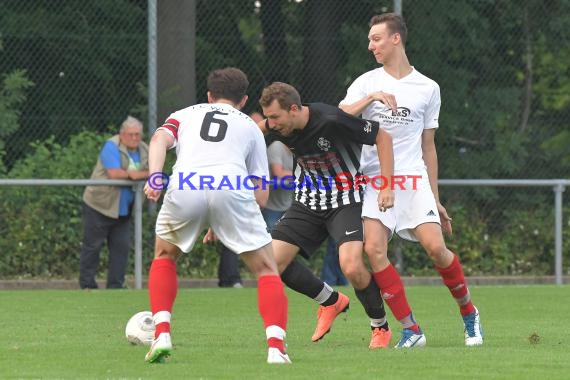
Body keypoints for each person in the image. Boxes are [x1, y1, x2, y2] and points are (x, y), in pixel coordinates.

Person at [339, 13, 483, 348]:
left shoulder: (427, 87)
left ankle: (469, 313)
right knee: (373, 249)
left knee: (437, 249)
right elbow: (339, 115)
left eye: (376, 38)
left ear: (395, 39)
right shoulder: (366, 82)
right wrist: (371, 98)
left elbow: (428, 146)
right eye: (369, 39)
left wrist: (435, 197)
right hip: (375, 180)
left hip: (413, 179)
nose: (370, 45)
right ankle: (411, 330)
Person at [143, 67, 290, 364]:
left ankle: (161, 334)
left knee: (164, 256)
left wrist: (154, 177)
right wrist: (225, 216)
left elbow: (159, 140)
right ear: (244, 99)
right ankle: (276, 349)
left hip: (186, 184)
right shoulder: (250, 125)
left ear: (209, 96)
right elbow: (261, 193)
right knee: (266, 270)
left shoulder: (184, 114)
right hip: (232, 186)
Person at [257, 82, 396, 349]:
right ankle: (331, 301)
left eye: (275, 117)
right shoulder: (276, 125)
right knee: (271, 262)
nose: (271, 124)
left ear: (295, 109)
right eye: (268, 118)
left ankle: (380, 326)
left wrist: (388, 186)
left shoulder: (330, 120)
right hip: (308, 202)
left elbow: (383, 137)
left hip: (345, 200)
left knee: (352, 266)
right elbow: (251, 132)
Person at [79, 116, 149, 289]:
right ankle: (87, 285)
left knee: (121, 248)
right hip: (100, 206)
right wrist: (136, 175)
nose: (134, 138)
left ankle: (115, 286)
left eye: (137, 135)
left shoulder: (145, 149)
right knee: (93, 247)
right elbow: (114, 174)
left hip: (124, 209)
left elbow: (155, 171)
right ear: (122, 134)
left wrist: (136, 175)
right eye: (131, 135)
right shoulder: (111, 146)